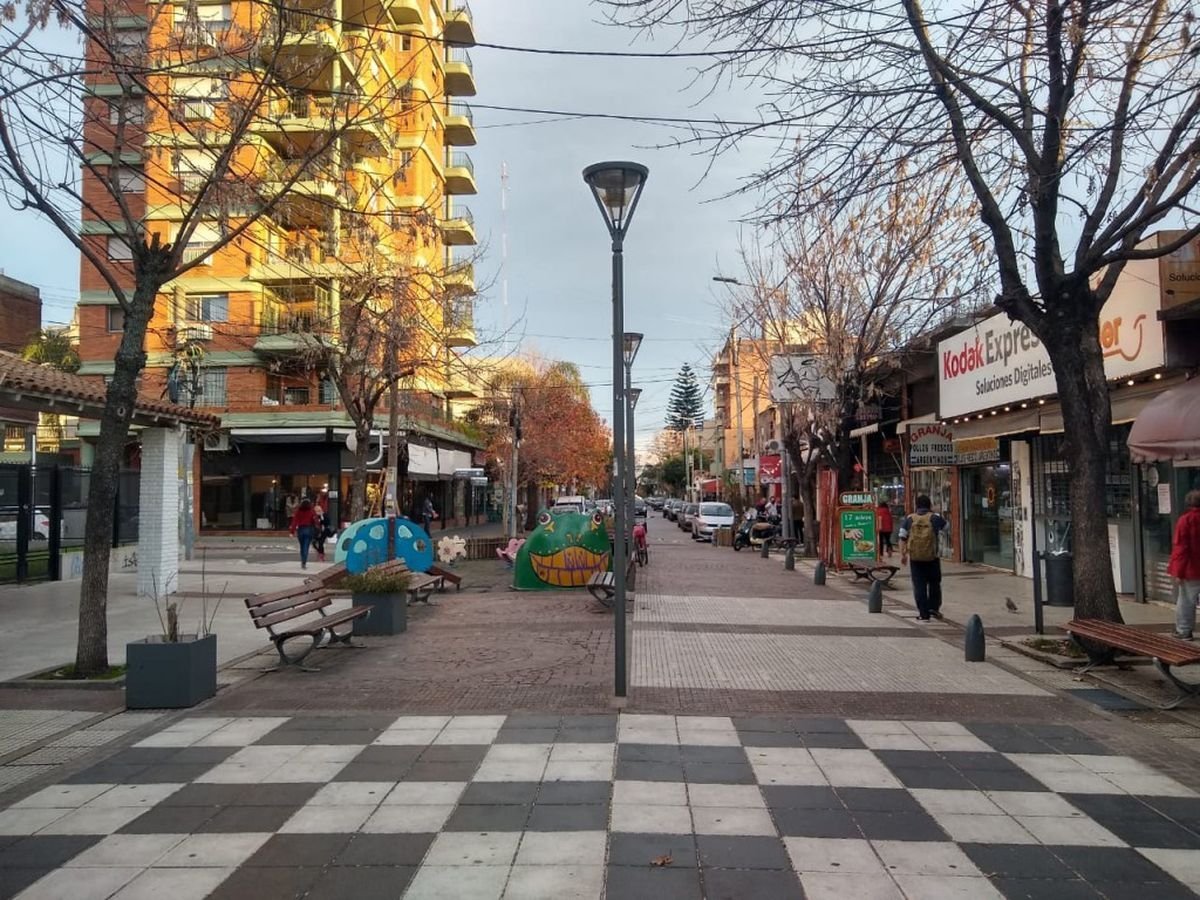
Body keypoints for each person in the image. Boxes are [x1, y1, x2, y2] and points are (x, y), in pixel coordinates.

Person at [898, 494, 949, 621]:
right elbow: (947, 528)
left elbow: (902, 537)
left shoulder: (910, 519)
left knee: (919, 585)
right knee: (934, 584)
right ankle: (933, 609)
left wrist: (903, 554)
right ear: (929, 505)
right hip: (932, 557)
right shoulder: (934, 518)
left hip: (915, 558)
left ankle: (923, 614)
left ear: (917, 505)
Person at [1169, 489, 1200, 640]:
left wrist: (1178, 572)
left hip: (1191, 569)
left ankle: (1184, 630)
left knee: (1186, 600)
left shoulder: (1185, 520)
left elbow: (1181, 548)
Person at [289, 498, 318, 570]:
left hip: (300, 530)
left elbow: (294, 521)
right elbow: (315, 520)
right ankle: (304, 562)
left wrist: (292, 531)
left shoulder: (298, 511)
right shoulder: (311, 511)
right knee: (306, 546)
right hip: (308, 529)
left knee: (302, 546)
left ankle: (303, 559)